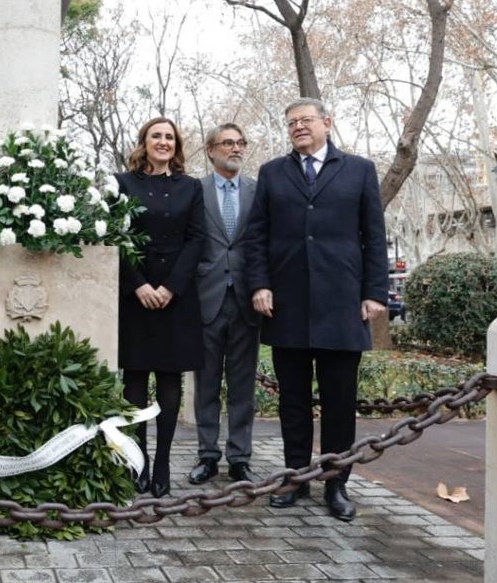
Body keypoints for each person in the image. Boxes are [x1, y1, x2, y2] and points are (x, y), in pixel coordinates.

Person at [241, 97, 388, 522]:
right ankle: (295, 477)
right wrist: (260, 284)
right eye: (291, 123)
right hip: (286, 304)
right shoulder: (273, 172)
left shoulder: (359, 169)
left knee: (339, 401)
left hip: (343, 304)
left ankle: (337, 483)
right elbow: (257, 237)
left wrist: (374, 292)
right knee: (293, 401)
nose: (298, 128)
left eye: (305, 120)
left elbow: (374, 236)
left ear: (327, 122)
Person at [117, 116, 206, 498]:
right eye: (157, 136)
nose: (163, 142)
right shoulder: (122, 184)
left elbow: (197, 239)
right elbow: (113, 236)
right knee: (134, 382)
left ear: (177, 145)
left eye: (170, 137)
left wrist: (170, 287)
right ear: (144, 142)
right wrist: (138, 285)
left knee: (170, 382)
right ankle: (138, 461)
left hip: (176, 296)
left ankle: (164, 462)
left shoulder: (191, 187)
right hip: (134, 292)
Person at [188, 123, 260, 486]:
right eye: (227, 143)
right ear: (211, 150)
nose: (236, 149)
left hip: (248, 301)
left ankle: (240, 458)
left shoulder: (256, 191)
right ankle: (207, 456)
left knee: (243, 385)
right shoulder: (194, 190)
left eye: (240, 143)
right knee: (206, 385)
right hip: (206, 298)